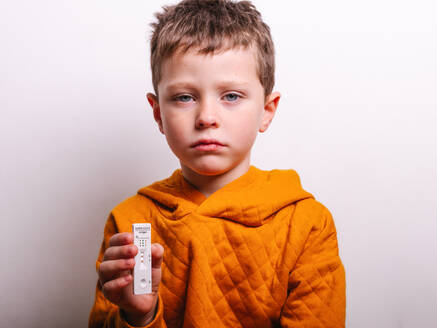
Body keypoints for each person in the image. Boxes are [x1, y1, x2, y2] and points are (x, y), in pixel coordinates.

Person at [88, 0, 346, 327]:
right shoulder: (129, 221)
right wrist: (139, 316)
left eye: (231, 96)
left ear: (267, 110)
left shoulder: (307, 224)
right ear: (158, 114)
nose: (207, 118)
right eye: (184, 97)